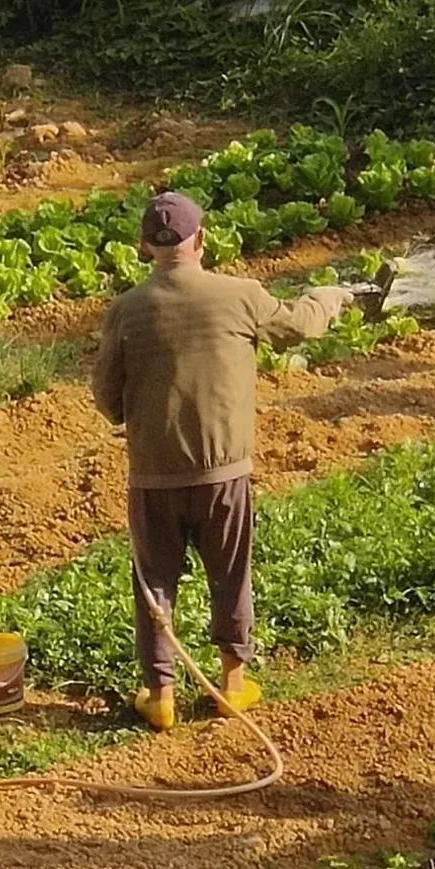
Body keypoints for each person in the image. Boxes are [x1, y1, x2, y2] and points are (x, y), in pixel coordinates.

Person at [91, 190, 352, 731]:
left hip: (154, 474)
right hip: (223, 473)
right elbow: (299, 326)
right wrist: (327, 297)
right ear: (202, 240)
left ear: (145, 247)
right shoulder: (240, 295)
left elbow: (105, 393)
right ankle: (232, 685)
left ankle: (160, 692)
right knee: (230, 574)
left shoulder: (127, 310)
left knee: (154, 583)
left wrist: (130, 414)